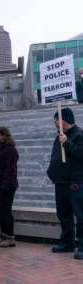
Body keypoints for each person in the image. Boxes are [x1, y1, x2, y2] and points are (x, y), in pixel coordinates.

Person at [47, 108, 83, 260]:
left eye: (56, 119)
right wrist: (51, 173)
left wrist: (67, 143)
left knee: (80, 216)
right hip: (61, 183)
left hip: (75, 182)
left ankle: (81, 246)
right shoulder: (59, 137)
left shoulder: (79, 135)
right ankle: (67, 242)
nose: (54, 122)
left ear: (65, 120)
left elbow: (80, 154)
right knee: (64, 215)